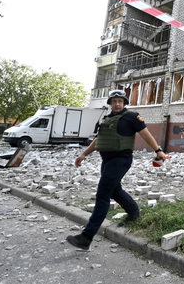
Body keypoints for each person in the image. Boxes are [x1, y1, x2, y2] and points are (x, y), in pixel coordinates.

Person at [66, 90, 166, 250]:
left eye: (120, 101)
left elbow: (146, 135)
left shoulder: (132, 117)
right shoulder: (108, 119)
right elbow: (99, 140)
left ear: (124, 103)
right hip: (107, 160)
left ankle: (86, 237)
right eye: (114, 101)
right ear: (110, 103)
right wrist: (84, 154)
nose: (117, 104)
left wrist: (158, 150)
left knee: (103, 194)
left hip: (121, 160)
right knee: (114, 190)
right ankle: (133, 213)